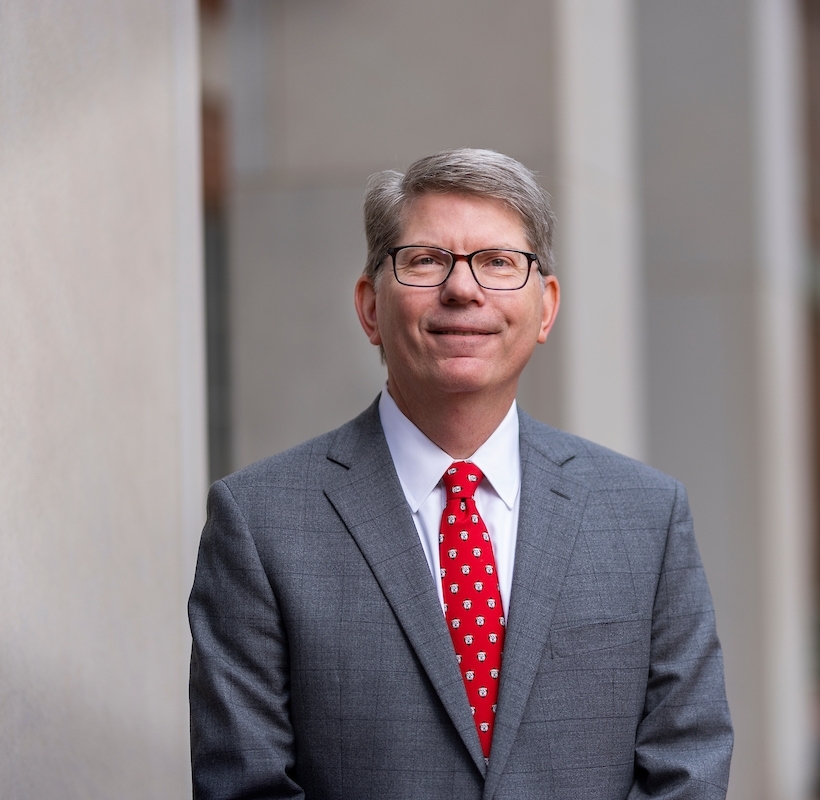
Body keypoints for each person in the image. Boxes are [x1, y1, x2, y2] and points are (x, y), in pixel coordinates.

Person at [188, 148, 733, 799]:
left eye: (498, 262)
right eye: (426, 260)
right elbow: (244, 786)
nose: (463, 288)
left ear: (546, 307)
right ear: (369, 307)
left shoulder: (646, 516)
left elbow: (688, 764)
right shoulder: (260, 522)